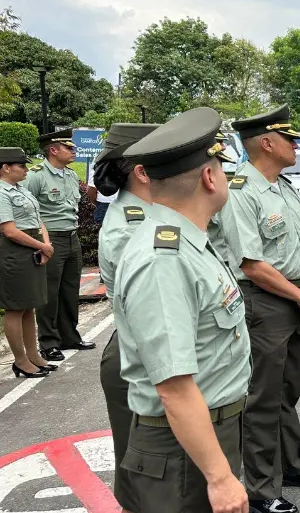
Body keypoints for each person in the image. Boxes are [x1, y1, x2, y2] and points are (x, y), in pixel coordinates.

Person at [114, 107, 251, 513]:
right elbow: (173, 387)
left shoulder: (187, 242)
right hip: (183, 452)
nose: (224, 176)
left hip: (202, 437)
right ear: (209, 177)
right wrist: (220, 478)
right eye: (222, 167)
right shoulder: (164, 259)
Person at [219, 104, 300, 513]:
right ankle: (262, 489)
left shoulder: (282, 186)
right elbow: (251, 264)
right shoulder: (242, 193)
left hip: (298, 299)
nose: (296, 143)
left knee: (287, 390)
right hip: (267, 303)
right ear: (267, 143)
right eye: (290, 137)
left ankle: (291, 465)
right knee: (263, 397)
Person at [94, 123, 159, 513]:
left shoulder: (155, 214)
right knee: (142, 471)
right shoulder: (130, 227)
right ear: (141, 170)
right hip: (140, 354)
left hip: (148, 348)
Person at [23, 129, 95, 362]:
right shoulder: (36, 176)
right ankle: (48, 342)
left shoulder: (71, 175)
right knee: (49, 293)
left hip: (71, 237)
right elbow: (26, 210)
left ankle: (69, 336)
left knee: (70, 290)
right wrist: (41, 242)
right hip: (50, 238)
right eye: (69, 148)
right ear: (53, 150)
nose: (74, 151)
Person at [0, 147, 56, 379]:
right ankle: (21, 360)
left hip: (33, 247)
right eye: (21, 166)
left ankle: (33, 355)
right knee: (15, 307)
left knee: (29, 305)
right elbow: (9, 230)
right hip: (14, 252)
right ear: (5, 168)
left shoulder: (20, 189)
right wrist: (41, 246)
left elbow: (38, 219)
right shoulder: (1, 193)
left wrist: (46, 244)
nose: (25, 169)